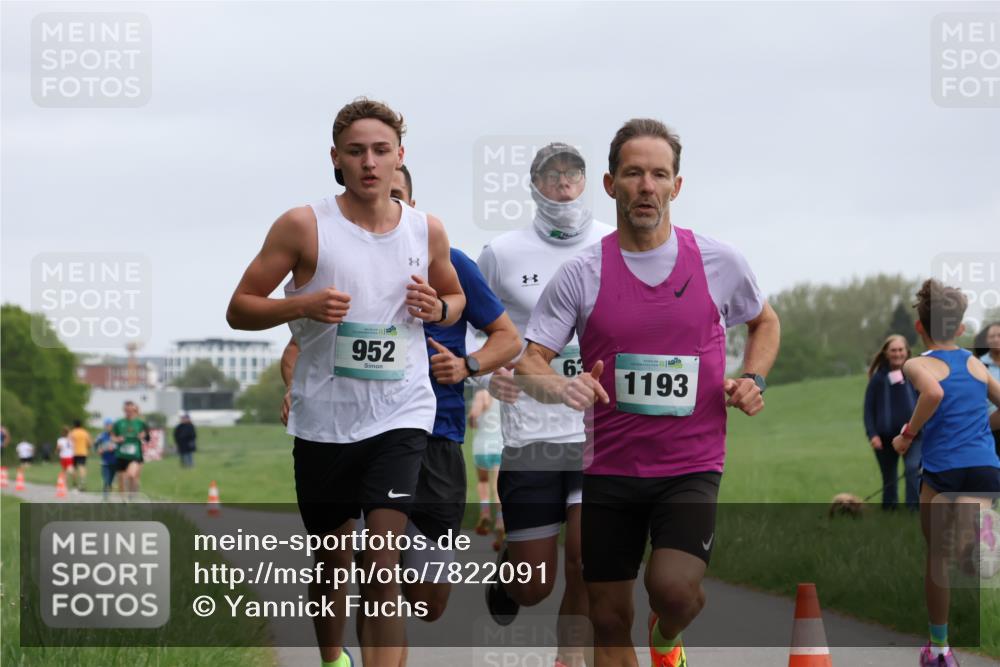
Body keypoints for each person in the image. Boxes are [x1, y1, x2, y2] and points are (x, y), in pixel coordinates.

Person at [515, 118, 780, 667]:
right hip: (610, 471)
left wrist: (752, 380)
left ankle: (666, 640)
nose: (646, 186)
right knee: (608, 619)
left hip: (690, 465)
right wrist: (562, 385)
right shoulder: (581, 273)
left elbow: (765, 322)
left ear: (676, 187)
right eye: (633, 173)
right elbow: (529, 362)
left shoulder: (718, 262)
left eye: (659, 174)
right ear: (610, 185)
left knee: (674, 592)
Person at [227, 97, 466, 667]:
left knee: (381, 561)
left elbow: (455, 299)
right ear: (335, 158)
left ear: (399, 156)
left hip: (400, 412)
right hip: (325, 419)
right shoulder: (303, 225)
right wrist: (301, 305)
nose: (369, 162)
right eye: (356, 151)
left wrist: (439, 307)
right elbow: (239, 308)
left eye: (381, 151)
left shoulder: (425, 229)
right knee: (335, 562)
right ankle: (333, 658)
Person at [278, 163, 520, 658]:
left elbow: (508, 338)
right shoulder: (340, 255)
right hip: (359, 429)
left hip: (436, 438)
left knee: (428, 599)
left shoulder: (447, 260)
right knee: (370, 567)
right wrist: (295, 389)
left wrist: (467, 364)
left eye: (396, 197)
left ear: (410, 203)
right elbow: (299, 349)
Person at [479, 142, 615, 667]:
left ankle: (569, 659)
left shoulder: (614, 243)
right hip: (530, 434)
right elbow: (476, 331)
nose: (563, 185)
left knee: (585, 559)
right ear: (534, 185)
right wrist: (488, 374)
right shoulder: (502, 252)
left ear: (587, 181)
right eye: (551, 175)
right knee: (535, 584)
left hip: (598, 431)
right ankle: (508, 579)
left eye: (572, 174)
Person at [890, 280, 1000, 667]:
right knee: (963, 546)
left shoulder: (917, 363)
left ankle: (940, 651)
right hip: (985, 469)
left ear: (919, 329)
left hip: (941, 472)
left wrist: (907, 435)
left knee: (937, 558)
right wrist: (984, 427)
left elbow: (933, 393)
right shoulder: (974, 362)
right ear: (960, 328)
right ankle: (975, 538)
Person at [863, 334, 921, 510]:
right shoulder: (878, 379)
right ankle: (890, 511)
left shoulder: (917, 374)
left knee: (912, 470)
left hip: (914, 435)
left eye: (901, 350)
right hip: (885, 438)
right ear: (886, 353)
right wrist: (872, 434)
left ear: (907, 352)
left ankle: (913, 511)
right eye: (893, 350)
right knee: (889, 477)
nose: (897, 354)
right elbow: (868, 410)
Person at [112, 401, 148, 498]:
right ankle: (124, 501)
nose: (128, 412)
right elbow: (112, 437)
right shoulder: (118, 423)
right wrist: (117, 439)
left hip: (135, 455)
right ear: (124, 410)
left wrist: (143, 436)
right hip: (121, 454)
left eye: (130, 410)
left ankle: (132, 494)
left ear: (134, 409)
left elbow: (147, 437)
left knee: (131, 475)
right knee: (121, 481)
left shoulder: (140, 423)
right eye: (126, 410)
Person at [975, 321, 1000, 457]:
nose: (996, 339)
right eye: (992, 336)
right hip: (987, 429)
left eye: (999, 335)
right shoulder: (978, 365)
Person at [68, 419, 93, 491]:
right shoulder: (85, 432)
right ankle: (82, 482)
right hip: (83, 452)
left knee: (74, 468)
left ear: (74, 425)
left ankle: (75, 484)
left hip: (74, 452)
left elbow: (69, 443)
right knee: (82, 467)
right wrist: (86, 447)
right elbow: (90, 444)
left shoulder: (72, 433)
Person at [94, 418, 117, 499]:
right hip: (105, 462)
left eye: (109, 425)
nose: (108, 427)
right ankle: (105, 497)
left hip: (115, 461)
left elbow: (122, 445)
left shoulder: (117, 435)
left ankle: (110, 490)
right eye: (106, 425)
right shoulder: (101, 436)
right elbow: (95, 444)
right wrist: (98, 450)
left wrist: (115, 448)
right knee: (106, 480)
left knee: (111, 481)